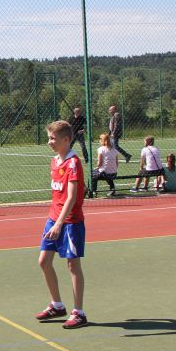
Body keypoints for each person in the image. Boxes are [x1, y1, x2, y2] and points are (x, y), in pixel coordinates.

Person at [34, 120, 88, 330]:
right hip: (53, 219)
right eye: (49, 138)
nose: (50, 142)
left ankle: (79, 312)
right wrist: (54, 222)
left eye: (53, 138)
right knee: (44, 261)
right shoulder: (54, 161)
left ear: (66, 140)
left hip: (69, 222)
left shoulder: (73, 163)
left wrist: (58, 224)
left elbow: (71, 197)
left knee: (73, 265)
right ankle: (57, 305)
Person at [92, 132, 119, 196]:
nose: (99, 140)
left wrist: (97, 167)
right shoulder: (114, 150)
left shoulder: (101, 149)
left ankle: (93, 190)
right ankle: (112, 189)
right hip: (114, 173)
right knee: (106, 172)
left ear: (102, 140)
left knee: (92, 175)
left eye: (100, 139)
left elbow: (99, 163)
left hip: (104, 173)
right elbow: (117, 163)